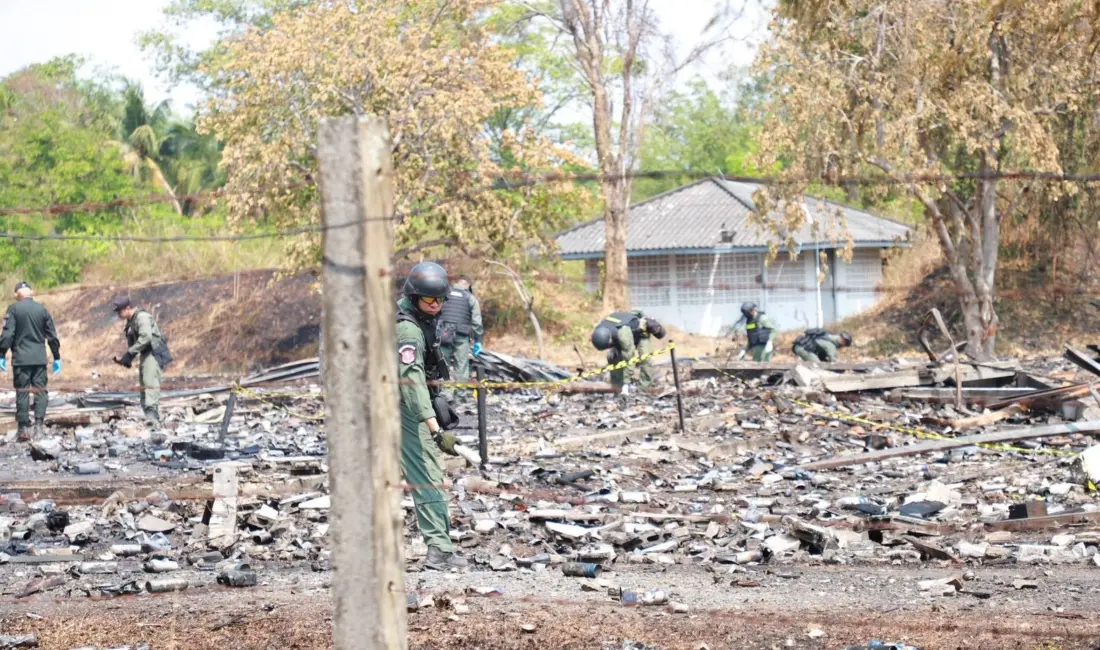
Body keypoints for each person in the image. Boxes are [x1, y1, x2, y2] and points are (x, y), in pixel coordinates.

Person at [397, 261, 467, 570]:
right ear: (414, 297)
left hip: (405, 405)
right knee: (428, 477)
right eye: (429, 299)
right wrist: (435, 429)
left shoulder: (422, 318)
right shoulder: (408, 330)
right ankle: (439, 550)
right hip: (404, 410)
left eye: (440, 299)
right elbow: (411, 383)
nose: (436, 305)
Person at [0, 282, 61, 441]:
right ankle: (39, 427)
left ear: (16, 295)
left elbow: (7, 335)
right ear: (31, 293)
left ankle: (23, 429)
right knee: (40, 391)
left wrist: (1, 353)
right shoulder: (42, 310)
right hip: (39, 359)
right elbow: (52, 336)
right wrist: (56, 357)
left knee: (22, 392)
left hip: (21, 359)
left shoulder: (13, 309)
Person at [110, 297, 172, 425]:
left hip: (153, 353)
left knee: (150, 384)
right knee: (144, 385)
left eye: (120, 312)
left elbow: (146, 337)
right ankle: (149, 417)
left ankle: (153, 418)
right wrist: (127, 359)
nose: (119, 315)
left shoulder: (142, 317)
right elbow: (134, 342)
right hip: (145, 354)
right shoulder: (131, 322)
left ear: (128, 308)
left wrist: (130, 353)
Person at [590, 310, 666, 391]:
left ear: (610, 339)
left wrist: (626, 383)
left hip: (640, 334)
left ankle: (644, 387)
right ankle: (617, 386)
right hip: (620, 336)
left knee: (645, 358)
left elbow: (629, 358)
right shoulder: (600, 329)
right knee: (613, 357)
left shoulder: (623, 334)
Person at [438, 275, 483, 385]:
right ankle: (460, 395)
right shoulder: (470, 298)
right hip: (461, 335)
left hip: (444, 333)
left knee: (443, 364)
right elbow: (477, 322)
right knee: (461, 366)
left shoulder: (444, 294)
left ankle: (444, 395)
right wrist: (478, 340)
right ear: (468, 285)